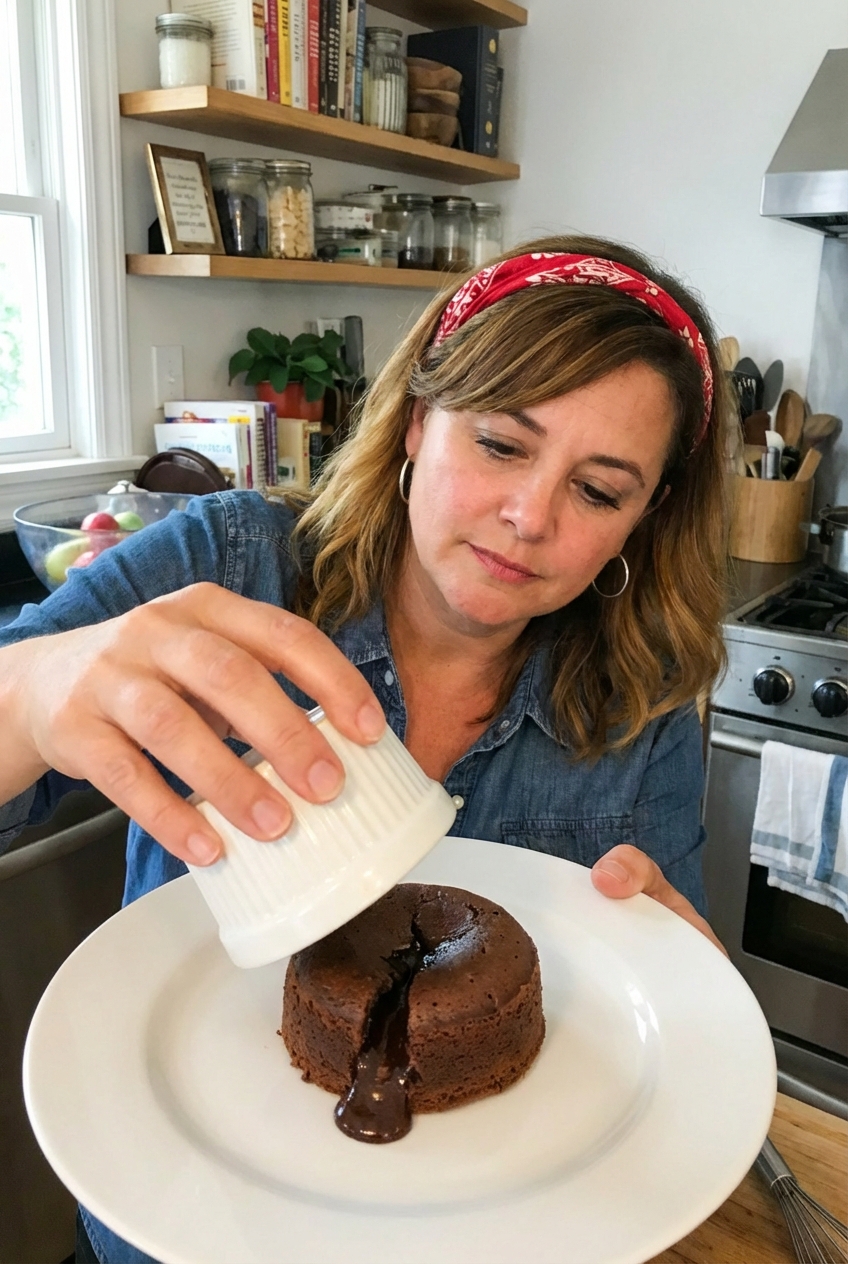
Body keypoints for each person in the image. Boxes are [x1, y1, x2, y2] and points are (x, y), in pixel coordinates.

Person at [0, 235, 730, 1264]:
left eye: (598, 490)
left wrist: (687, 994)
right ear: (418, 423)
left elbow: (660, 984)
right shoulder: (226, 564)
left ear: (641, 523)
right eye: (500, 444)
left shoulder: (639, 704)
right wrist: (31, 693)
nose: (528, 517)